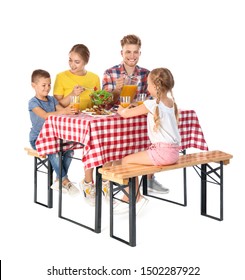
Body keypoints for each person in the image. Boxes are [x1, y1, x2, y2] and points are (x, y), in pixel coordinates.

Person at [102, 34, 169, 199]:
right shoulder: (110, 73)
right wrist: (117, 90)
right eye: (128, 52)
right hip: (117, 122)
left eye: (135, 52)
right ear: (121, 53)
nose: (132, 56)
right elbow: (104, 103)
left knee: (151, 140)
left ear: (140, 53)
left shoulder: (147, 74)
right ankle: (114, 184)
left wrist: (140, 102)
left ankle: (148, 179)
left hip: (139, 120)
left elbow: (154, 99)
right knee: (116, 152)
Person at [115, 67, 181, 214]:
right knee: (135, 157)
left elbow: (126, 114)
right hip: (174, 153)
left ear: (156, 86)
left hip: (162, 153)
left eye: (148, 84)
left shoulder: (151, 104)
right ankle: (136, 195)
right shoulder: (171, 102)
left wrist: (121, 108)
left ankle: (132, 197)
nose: (147, 87)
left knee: (126, 161)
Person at [53, 44, 101, 205]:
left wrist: (101, 101)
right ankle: (87, 183)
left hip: (88, 120)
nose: (72, 65)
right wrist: (72, 94)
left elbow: (98, 100)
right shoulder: (61, 76)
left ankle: (100, 183)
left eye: (77, 62)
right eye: (70, 60)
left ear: (85, 62)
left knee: (99, 139)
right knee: (92, 139)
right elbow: (56, 104)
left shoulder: (94, 77)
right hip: (67, 121)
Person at [28, 69, 79, 195]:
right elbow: (45, 115)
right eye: (44, 85)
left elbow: (63, 111)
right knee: (53, 151)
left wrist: (70, 109)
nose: (47, 88)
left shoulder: (52, 100)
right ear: (34, 85)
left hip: (55, 138)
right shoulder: (33, 102)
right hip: (38, 139)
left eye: (49, 84)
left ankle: (58, 179)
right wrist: (64, 111)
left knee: (70, 149)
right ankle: (65, 180)